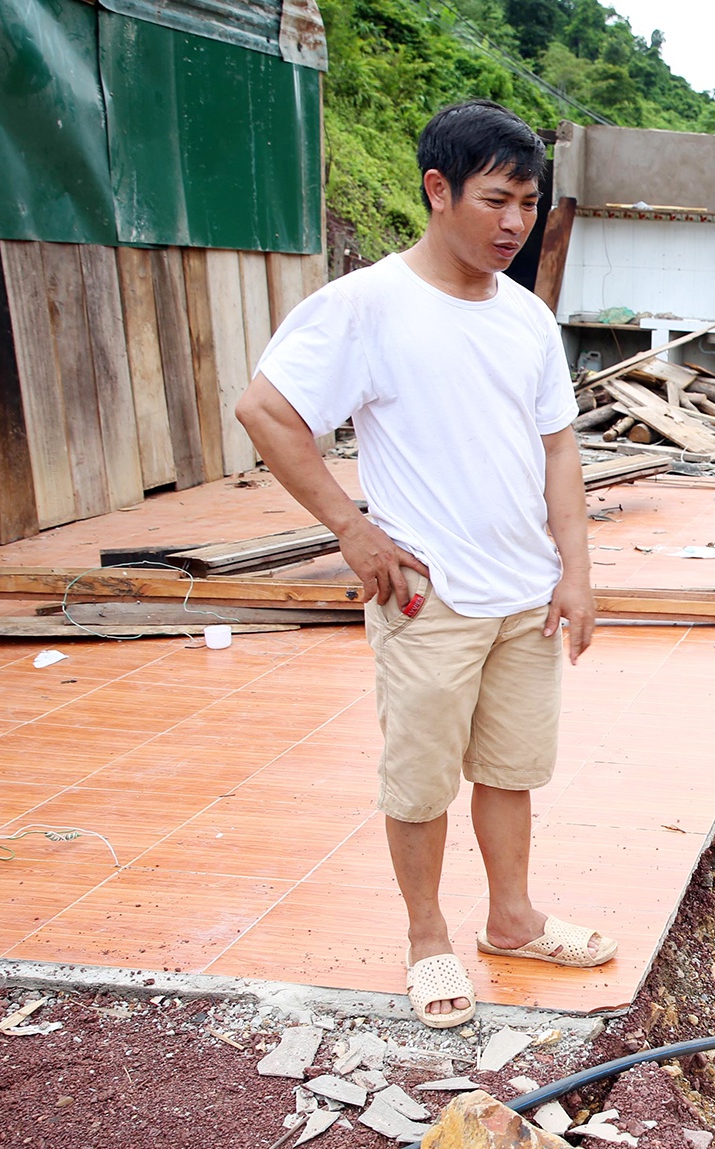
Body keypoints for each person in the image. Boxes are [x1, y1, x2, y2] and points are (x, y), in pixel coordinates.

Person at [236, 99, 612, 1028]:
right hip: (429, 597)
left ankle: (514, 920)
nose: (515, 225)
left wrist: (577, 571)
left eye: (527, 204)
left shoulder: (525, 318)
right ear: (438, 191)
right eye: (496, 201)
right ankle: (426, 939)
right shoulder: (366, 306)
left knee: (511, 768)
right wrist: (352, 532)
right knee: (420, 778)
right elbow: (266, 411)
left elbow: (558, 447)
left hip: (526, 592)